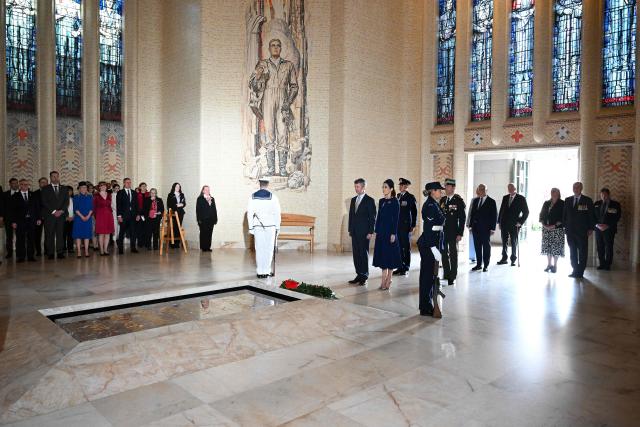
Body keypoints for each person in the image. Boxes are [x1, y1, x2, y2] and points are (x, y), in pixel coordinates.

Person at [249, 38, 299, 177]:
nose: (276, 48)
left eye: (278, 46)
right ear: (269, 48)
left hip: (283, 98)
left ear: (281, 48)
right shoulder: (263, 64)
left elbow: (294, 86)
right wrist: (258, 75)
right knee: (270, 133)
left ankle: (282, 168)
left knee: (282, 133)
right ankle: (271, 168)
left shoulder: (288, 65)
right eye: (273, 46)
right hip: (268, 99)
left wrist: (288, 102)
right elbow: (252, 84)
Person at [417, 182, 445, 317]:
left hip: (434, 243)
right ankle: (425, 306)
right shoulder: (429, 205)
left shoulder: (434, 204)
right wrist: (433, 247)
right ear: (432, 191)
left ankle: (428, 304)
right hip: (429, 245)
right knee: (427, 276)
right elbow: (428, 229)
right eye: (439, 190)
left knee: (431, 276)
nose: (441, 192)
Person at [247, 178, 281, 278]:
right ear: (268, 184)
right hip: (271, 226)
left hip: (258, 226)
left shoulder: (252, 197)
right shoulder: (273, 197)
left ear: (259, 184)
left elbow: (249, 214)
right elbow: (277, 214)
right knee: (269, 249)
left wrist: (251, 228)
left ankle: (260, 271)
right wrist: (278, 227)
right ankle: (266, 271)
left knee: (259, 248)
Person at [372, 179, 402, 290]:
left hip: (390, 233)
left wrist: (393, 233)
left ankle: (389, 279)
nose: (383, 189)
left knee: (390, 257)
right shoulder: (381, 201)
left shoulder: (395, 202)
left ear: (391, 189)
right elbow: (378, 217)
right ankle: (382, 280)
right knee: (382, 257)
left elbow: (396, 219)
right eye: (383, 187)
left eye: (385, 187)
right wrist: (376, 230)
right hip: (381, 233)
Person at [348, 178, 377, 286]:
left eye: (358, 187)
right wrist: (350, 229)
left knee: (363, 254)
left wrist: (371, 231)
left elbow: (373, 217)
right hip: (355, 232)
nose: (356, 189)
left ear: (363, 187)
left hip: (365, 232)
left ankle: (364, 276)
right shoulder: (353, 200)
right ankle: (358, 274)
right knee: (356, 254)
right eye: (355, 186)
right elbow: (351, 216)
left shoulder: (370, 200)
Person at [563, 181, 595, 279]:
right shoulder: (568, 200)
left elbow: (591, 215)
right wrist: (564, 226)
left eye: (577, 187)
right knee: (572, 252)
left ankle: (580, 271)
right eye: (574, 187)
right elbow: (564, 215)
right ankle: (575, 270)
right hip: (570, 231)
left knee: (582, 252)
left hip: (582, 231)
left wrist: (591, 228)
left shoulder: (587, 200)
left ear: (581, 189)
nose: (575, 189)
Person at [439, 178, 466, 286]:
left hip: (453, 232)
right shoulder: (442, 200)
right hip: (443, 232)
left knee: (453, 254)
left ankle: (453, 276)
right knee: (444, 253)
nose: (445, 188)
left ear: (453, 187)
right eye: (445, 186)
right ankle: (446, 273)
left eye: (447, 186)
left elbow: (462, 218)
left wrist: (460, 233)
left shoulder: (458, 200)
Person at [497, 183, 529, 266]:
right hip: (504, 223)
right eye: (508, 188)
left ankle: (513, 259)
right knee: (504, 241)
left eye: (511, 188)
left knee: (514, 241)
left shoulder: (521, 198)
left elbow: (526, 212)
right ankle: (504, 258)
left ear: (515, 188)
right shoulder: (505, 197)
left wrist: (520, 222)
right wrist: (499, 222)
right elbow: (501, 210)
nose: (510, 189)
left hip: (515, 224)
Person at [9, 179, 41, 263]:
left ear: (28, 185)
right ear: (20, 185)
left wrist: (38, 218)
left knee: (31, 239)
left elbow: (37, 208)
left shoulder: (33, 195)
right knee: (20, 239)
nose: (25, 186)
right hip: (20, 221)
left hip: (32, 220)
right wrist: (13, 222)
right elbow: (12, 210)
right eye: (23, 184)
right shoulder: (15, 196)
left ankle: (31, 256)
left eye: (26, 184)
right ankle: (21, 256)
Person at [467, 184, 497, 272]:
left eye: (483, 189)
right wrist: (470, 226)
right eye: (480, 189)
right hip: (475, 228)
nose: (481, 190)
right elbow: (472, 214)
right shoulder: (475, 201)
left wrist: (493, 228)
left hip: (486, 229)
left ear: (486, 190)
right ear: (478, 190)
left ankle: (486, 265)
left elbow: (494, 215)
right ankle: (479, 264)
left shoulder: (491, 201)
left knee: (486, 247)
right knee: (477, 247)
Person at [41, 171, 70, 260]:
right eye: (53, 176)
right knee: (49, 234)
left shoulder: (64, 188)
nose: (55, 178)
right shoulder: (45, 188)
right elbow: (44, 202)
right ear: (50, 178)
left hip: (61, 216)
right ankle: (50, 253)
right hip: (50, 216)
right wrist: (54, 211)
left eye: (57, 176)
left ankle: (60, 252)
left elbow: (66, 201)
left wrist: (61, 211)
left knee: (60, 234)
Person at [393, 178, 417, 276]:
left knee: (405, 247)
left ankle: (406, 267)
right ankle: (399, 266)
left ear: (406, 186)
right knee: (398, 247)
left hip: (405, 226)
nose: (400, 187)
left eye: (402, 185)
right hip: (397, 226)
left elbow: (414, 212)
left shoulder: (410, 197)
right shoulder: (398, 196)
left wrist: (413, 225)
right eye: (400, 185)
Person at [594, 187, 621, 270]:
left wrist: (608, 225)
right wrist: (597, 225)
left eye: (605, 195)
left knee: (609, 247)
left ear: (609, 195)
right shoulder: (596, 203)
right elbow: (592, 216)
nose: (603, 197)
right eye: (602, 195)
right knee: (600, 247)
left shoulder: (615, 204)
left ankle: (607, 265)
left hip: (609, 229)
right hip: (598, 229)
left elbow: (617, 217)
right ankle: (601, 264)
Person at [539, 188, 565, 273]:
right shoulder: (546, 203)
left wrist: (555, 225)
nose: (553, 194)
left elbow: (564, 217)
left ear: (558, 193)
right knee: (548, 247)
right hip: (546, 229)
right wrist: (544, 225)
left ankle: (555, 266)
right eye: (552, 192)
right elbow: (541, 215)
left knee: (555, 248)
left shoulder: (562, 203)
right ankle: (549, 264)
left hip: (557, 230)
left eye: (555, 192)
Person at [116, 178, 139, 254]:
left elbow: (136, 205)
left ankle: (133, 248)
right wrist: (119, 216)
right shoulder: (120, 192)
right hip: (123, 216)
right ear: (124, 183)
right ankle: (120, 249)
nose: (129, 184)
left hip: (132, 216)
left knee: (133, 232)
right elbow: (118, 205)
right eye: (127, 182)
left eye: (130, 182)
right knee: (122, 233)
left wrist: (137, 214)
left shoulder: (134, 192)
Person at [72, 182, 94, 258]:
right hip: (78, 218)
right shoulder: (76, 197)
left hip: (88, 218)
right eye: (82, 187)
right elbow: (76, 209)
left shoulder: (90, 197)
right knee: (78, 235)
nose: (83, 189)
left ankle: (87, 251)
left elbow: (92, 208)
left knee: (87, 235)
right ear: (79, 188)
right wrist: (82, 217)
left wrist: (88, 216)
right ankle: (79, 252)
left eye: (85, 187)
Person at [94, 182, 115, 256]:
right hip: (100, 215)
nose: (103, 187)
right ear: (99, 187)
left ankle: (106, 249)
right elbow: (94, 207)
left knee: (107, 234)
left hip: (109, 215)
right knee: (101, 234)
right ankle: (101, 250)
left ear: (106, 187)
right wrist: (96, 216)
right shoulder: (96, 195)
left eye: (104, 186)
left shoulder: (109, 195)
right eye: (101, 186)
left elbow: (110, 206)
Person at [196, 185, 218, 252]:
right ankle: (203, 247)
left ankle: (208, 247)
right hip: (203, 219)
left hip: (211, 219)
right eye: (206, 189)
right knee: (203, 233)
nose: (208, 191)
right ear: (203, 191)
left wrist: (215, 218)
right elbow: (198, 210)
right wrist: (199, 219)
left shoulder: (212, 198)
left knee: (209, 233)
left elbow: (214, 209)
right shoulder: (200, 199)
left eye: (208, 189)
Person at [167, 183, 186, 249]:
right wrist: (177, 205)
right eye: (176, 186)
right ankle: (172, 243)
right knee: (173, 227)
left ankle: (177, 243)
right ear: (174, 187)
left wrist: (182, 205)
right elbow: (169, 204)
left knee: (178, 227)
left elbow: (184, 203)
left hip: (180, 212)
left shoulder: (182, 194)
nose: (178, 188)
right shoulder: (170, 195)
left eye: (179, 187)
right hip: (173, 212)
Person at [3, 178, 19, 259]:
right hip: (8, 219)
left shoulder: (21, 193)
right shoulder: (4, 194)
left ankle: (20, 252)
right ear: (10, 184)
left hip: (19, 220)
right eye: (13, 183)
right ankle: (9, 252)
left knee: (20, 236)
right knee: (9, 237)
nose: (15, 185)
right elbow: (2, 207)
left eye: (16, 183)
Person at [32, 177, 48, 256]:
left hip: (49, 217)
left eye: (45, 182)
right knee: (37, 235)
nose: (44, 184)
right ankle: (38, 251)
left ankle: (47, 250)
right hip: (38, 218)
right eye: (42, 182)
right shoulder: (34, 193)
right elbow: (34, 207)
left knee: (48, 234)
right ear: (39, 184)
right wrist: (38, 217)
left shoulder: (51, 193)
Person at [135, 182, 150, 249]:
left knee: (146, 229)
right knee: (139, 229)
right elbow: (136, 206)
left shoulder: (149, 194)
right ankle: (140, 243)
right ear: (140, 187)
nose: (144, 187)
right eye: (142, 186)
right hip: (140, 213)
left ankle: (147, 243)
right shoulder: (137, 195)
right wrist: (138, 214)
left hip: (147, 214)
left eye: (145, 186)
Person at [64, 186, 75, 253]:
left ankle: (70, 248)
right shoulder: (62, 200)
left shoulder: (73, 199)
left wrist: (73, 216)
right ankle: (63, 247)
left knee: (71, 234)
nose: (69, 192)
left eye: (70, 191)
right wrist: (66, 217)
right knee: (63, 234)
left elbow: (75, 209)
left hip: (72, 219)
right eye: (68, 191)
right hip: (64, 219)